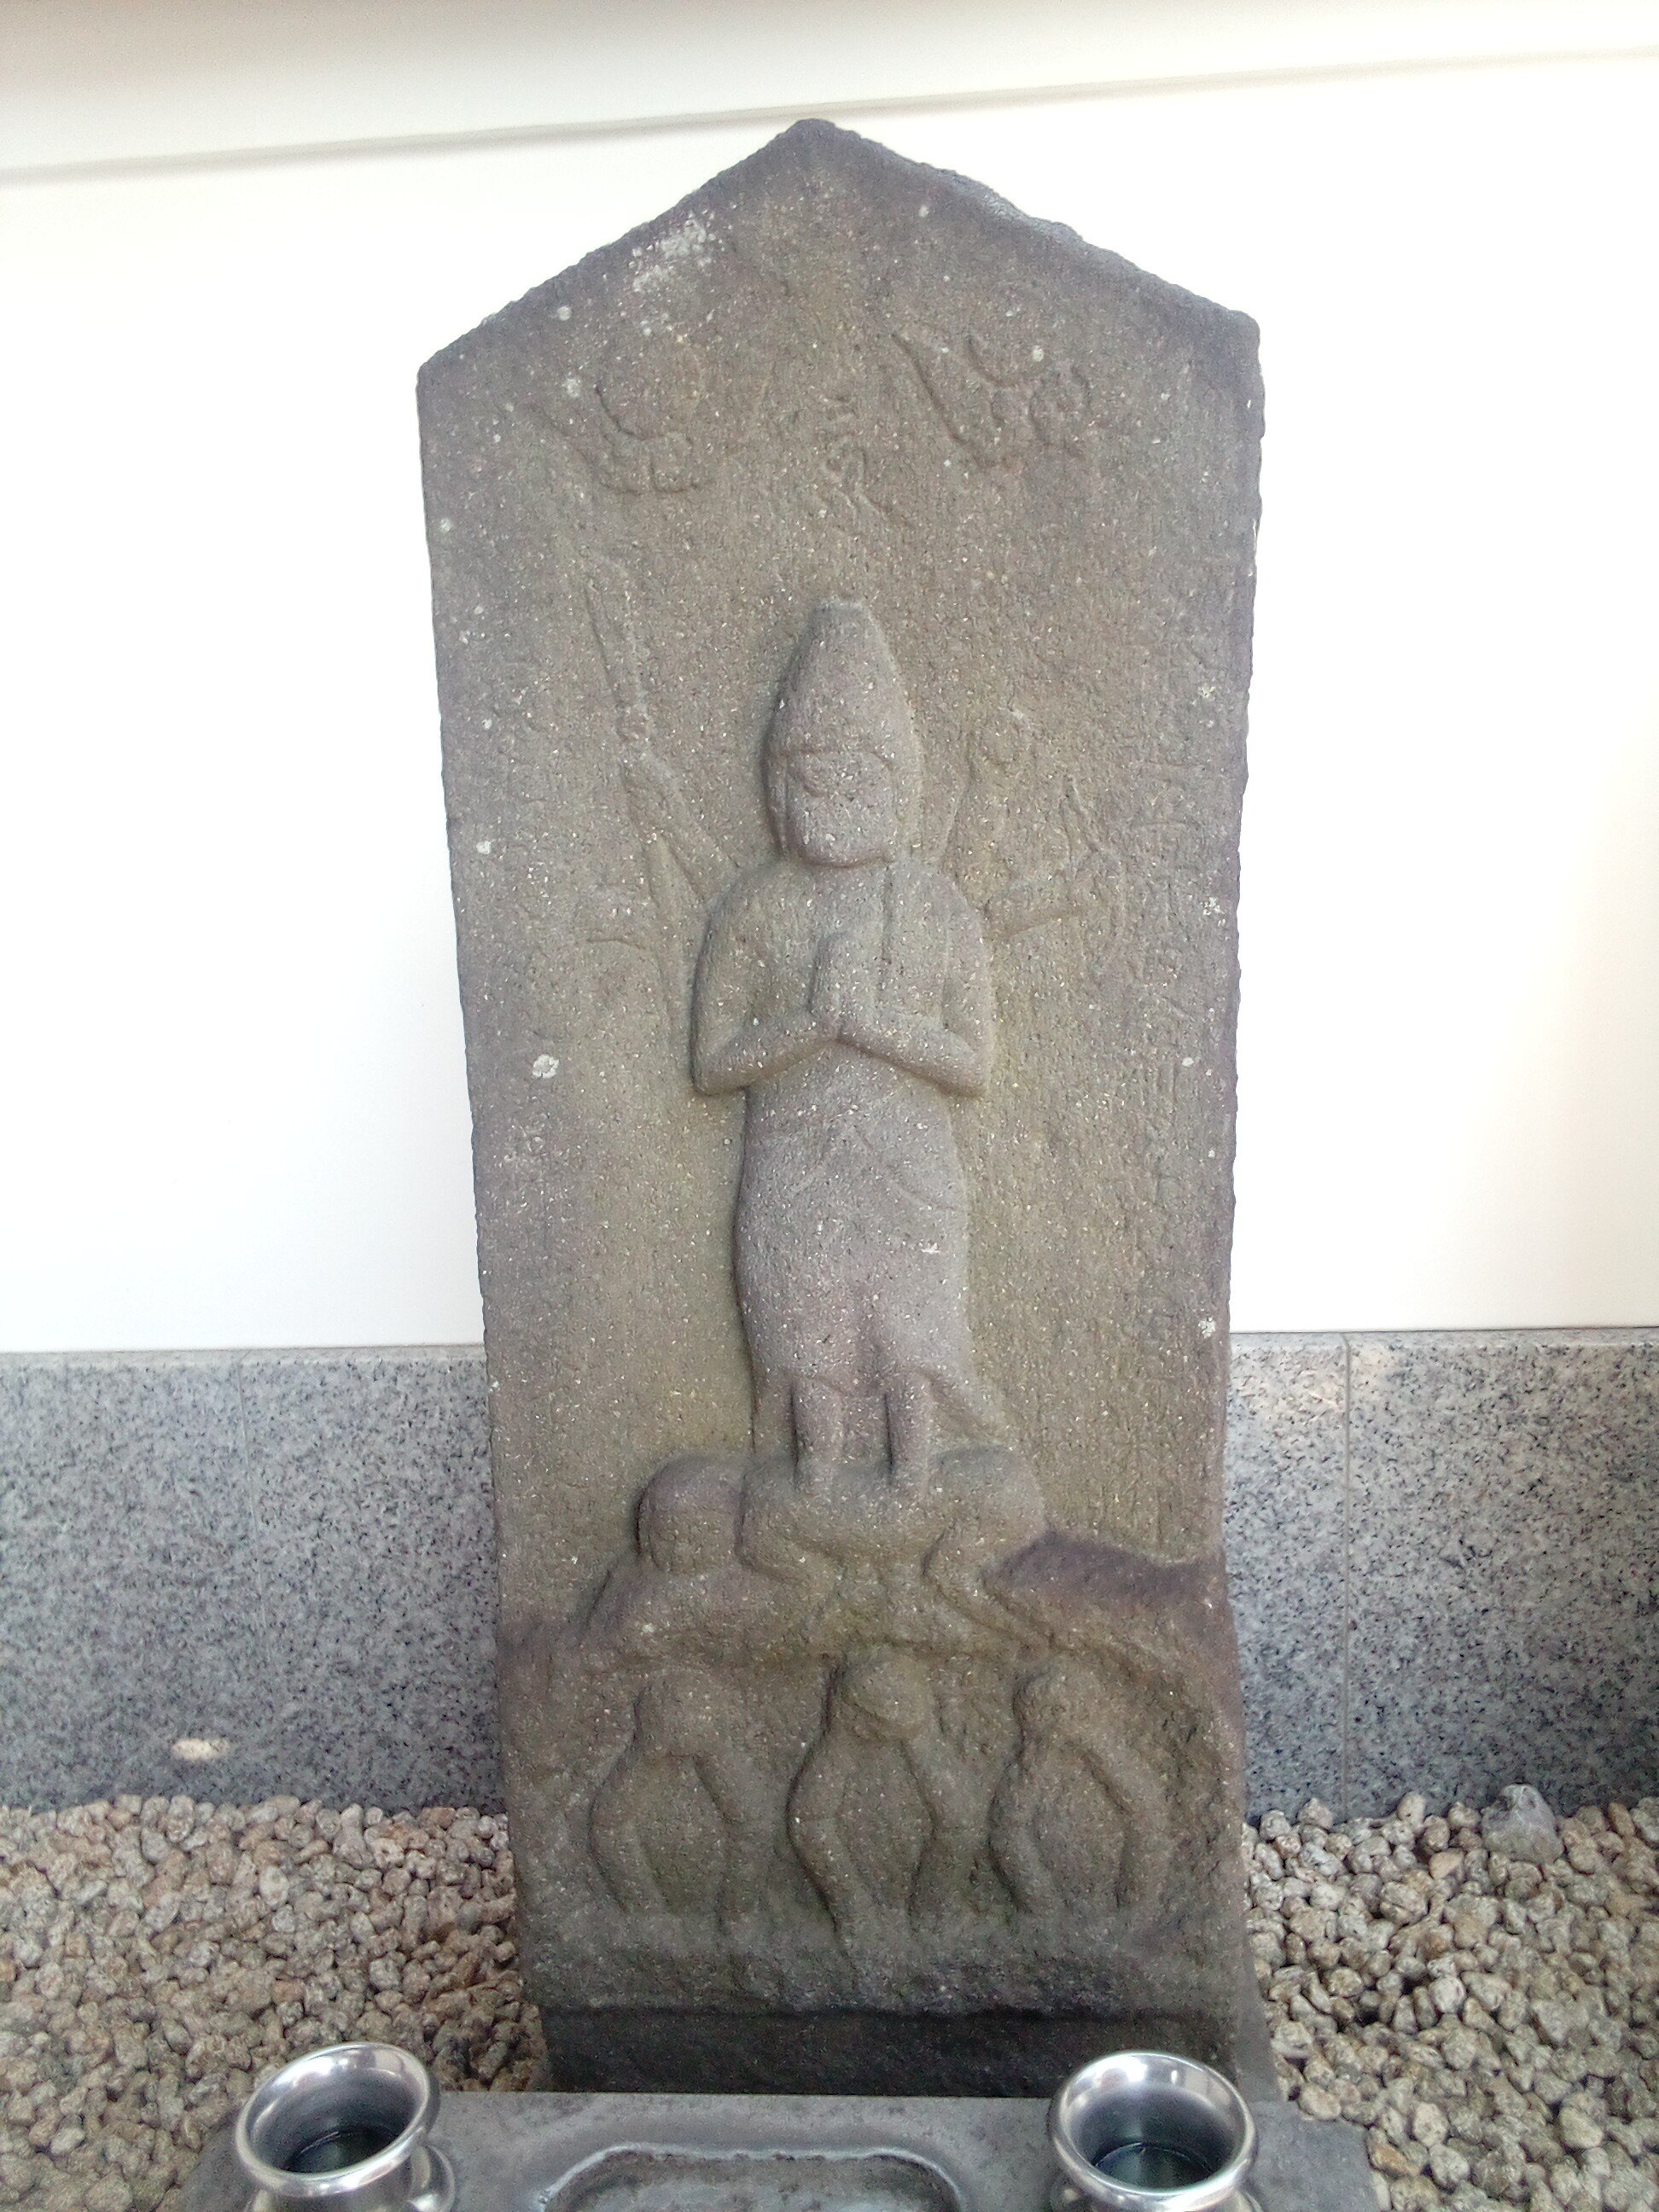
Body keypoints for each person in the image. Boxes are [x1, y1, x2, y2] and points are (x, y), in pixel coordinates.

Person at [692, 602, 1000, 1494]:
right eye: (809, 779)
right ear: (776, 790)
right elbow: (712, 1064)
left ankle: (916, 1482)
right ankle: (814, 1486)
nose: (832, 800)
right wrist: (811, 1026)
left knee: (910, 1338)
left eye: (857, 779)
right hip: (792, 1163)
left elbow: (972, 1064)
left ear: (899, 786)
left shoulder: (935, 906)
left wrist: (871, 1027)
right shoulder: (755, 906)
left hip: (908, 1165)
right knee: (807, 1338)